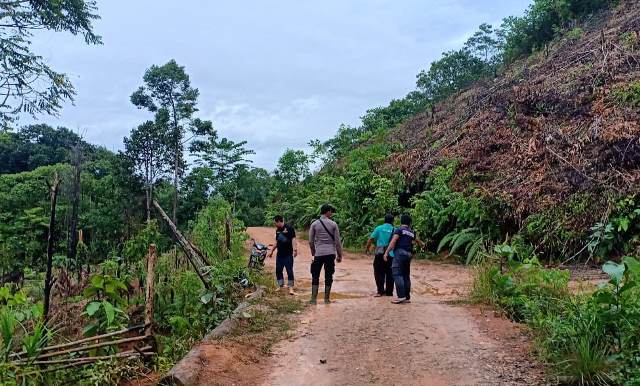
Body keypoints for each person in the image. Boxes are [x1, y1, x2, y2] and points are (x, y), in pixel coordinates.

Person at [383, 214, 425, 304]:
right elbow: (419, 241)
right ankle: (406, 297)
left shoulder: (399, 230)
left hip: (399, 253)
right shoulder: (411, 232)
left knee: (397, 274)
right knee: (406, 275)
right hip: (408, 254)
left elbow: (393, 241)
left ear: (401, 221)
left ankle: (401, 296)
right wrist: (422, 245)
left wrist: (386, 252)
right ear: (410, 223)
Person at [308, 204, 343, 304]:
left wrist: (313, 253)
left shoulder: (314, 224)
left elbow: (310, 241)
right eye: (331, 211)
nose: (331, 213)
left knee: (315, 275)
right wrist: (339, 255)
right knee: (329, 275)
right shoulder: (333, 224)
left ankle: (313, 299)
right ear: (327, 212)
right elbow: (337, 242)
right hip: (330, 253)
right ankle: (326, 299)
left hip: (318, 253)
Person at [365, 213, 395, 297]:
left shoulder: (379, 228)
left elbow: (371, 239)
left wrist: (367, 248)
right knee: (390, 273)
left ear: (384, 220)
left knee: (378, 272)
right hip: (391, 255)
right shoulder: (395, 230)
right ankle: (389, 292)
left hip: (379, 253)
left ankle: (380, 291)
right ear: (393, 221)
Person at [268, 215, 297, 295]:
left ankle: (291, 288)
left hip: (288, 254)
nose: (274, 225)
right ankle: (280, 285)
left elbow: (293, 239)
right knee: (278, 270)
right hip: (279, 254)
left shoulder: (289, 228)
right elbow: (276, 242)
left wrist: (295, 250)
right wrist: (271, 251)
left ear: (279, 221)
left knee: (289, 271)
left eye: (275, 223)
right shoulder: (277, 230)